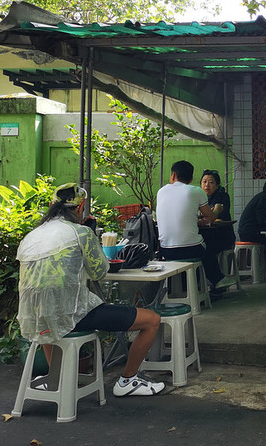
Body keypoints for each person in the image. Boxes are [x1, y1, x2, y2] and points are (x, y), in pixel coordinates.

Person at [16, 183, 165, 397]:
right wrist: (91, 234)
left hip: (33, 317)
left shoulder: (31, 236)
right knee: (151, 320)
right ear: (80, 208)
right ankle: (128, 380)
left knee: (48, 319)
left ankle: (58, 379)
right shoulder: (81, 233)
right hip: (74, 314)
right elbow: (100, 272)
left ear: (51, 205)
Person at [156, 160, 225, 294]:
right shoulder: (196, 191)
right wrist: (217, 210)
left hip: (165, 250)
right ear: (191, 178)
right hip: (191, 250)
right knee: (208, 245)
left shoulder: (161, 192)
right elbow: (210, 217)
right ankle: (215, 281)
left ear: (173, 175)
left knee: (201, 243)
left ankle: (192, 289)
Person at [199, 169, 235, 259]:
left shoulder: (222, 196)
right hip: (206, 235)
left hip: (222, 236)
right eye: (204, 182)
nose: (207, 185)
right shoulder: (200, 197)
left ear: (217, 185)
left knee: (206, 250)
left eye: (211, 182)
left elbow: (217, 217)